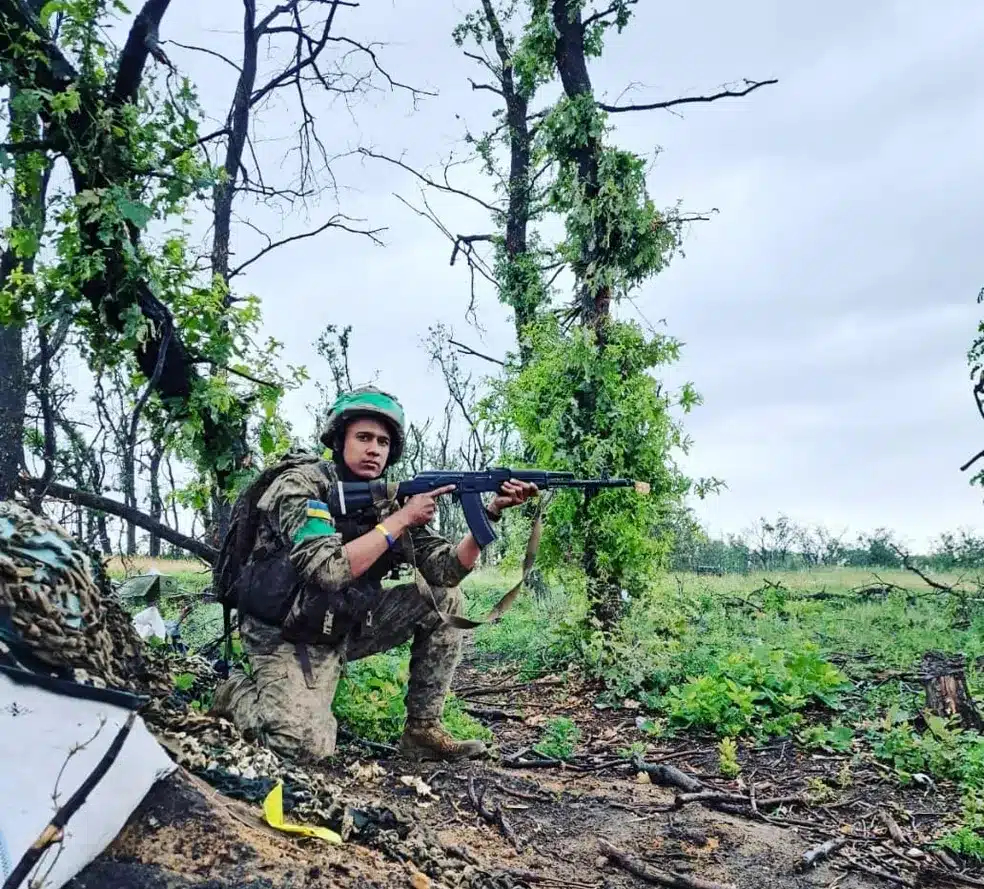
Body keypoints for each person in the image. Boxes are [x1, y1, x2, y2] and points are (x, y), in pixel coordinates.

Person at [210, 386, 537, 762]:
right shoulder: (301, 486)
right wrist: (401, 520)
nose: (374, 449)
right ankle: (233, 693)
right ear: (339, 439)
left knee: (444, 600)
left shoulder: (390, 500)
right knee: (301, 745)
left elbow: (445, 571)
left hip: (344, 622)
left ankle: (423, 730)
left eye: (383, 441)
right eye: (363, 437)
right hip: (284, 633)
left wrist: (491, 512)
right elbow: (328, 570)